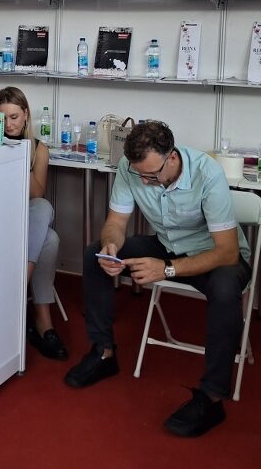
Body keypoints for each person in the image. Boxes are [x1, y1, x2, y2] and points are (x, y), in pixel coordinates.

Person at [64, 120, 251, 437]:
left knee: (224, 287)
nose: (145, 181)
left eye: (151, 175)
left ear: (172, 158)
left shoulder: (208, 174)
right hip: (168, 247)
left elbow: (228, 252)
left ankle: (212, 397)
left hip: (215, 256)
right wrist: (111, 246)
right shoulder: (132, 168)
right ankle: (103, 352)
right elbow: (116, 223)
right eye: (140, 174)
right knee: (95, 254)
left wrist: (166, 269)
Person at [0, 86, 67, 361]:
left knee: (43, 209)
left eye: (14, 117)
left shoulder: (38, 149)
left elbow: (36, 192)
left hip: (25, 216)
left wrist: (18, 155)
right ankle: (43, 321)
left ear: (26, 115)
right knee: (50, 238)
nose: (9, 124)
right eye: (2, 118)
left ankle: (21, 288)